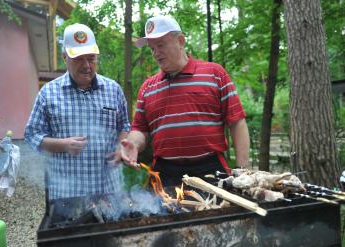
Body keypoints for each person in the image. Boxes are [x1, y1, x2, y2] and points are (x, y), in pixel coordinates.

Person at [120, 15, 250, 186]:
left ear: (180, 41)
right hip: (164, 174)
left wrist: (242, 170)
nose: (156, 53)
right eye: (152, 48)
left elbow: (237, 122)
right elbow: (140, 130)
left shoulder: (214, 74)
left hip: (210, 169)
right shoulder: (147, 87)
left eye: (160, 45)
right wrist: (133, 144)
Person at [25, 23, 130, 199]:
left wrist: (121, 146)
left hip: (109, 189)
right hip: (67, 193)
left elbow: (124, 126)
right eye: (78, 59)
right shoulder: (48, 92)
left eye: (91, 58)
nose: (86, 65)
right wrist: (63, 145)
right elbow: (32, 135)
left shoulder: (114, 89)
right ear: (64, 57)